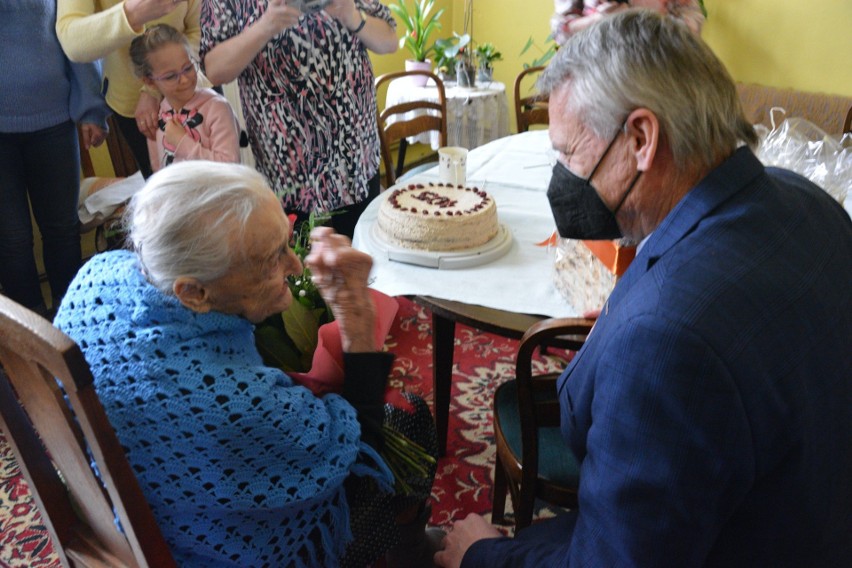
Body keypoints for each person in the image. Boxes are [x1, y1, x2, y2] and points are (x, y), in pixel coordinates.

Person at [437, 10, 851, 568]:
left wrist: (480, 555)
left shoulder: (662, 345)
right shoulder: (806, 199)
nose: (561, 177)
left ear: (640, 138)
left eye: (567, 153)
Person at [54, 161, 442, 567]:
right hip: (191, 545)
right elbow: (361, 457)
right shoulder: (225, 401)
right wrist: (357, 324)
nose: (294, 265)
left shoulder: (96, 276)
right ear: (194, 292)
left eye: (286, 243)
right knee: (408, 420)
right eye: (270, 259)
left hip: (118, 508)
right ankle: (409, 550)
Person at [200, 0, 398, 239]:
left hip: (355, 156)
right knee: (301, 266)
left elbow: (390, 41)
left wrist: (353, 17)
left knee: (365, 254)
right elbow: (215, 69)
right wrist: (265, 26)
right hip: (289, 168)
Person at [0, 0, 110, 317]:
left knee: (62, 229)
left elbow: (77, 34)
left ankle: (74, 321)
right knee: (11, 240)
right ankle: (34, 338)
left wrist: (90, 107)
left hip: (54, 122)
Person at [57, 0, 203, 177]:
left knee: (221, 189)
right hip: (132, 104)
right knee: (164, 195)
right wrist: (132, 15)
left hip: (195, 87)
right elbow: (72, 41)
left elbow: (202, 30)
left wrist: (154, 89)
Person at [130, 24, 241, 171]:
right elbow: (159, 172)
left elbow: (230, 169)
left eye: (188, 68)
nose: (184, 80)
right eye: (171, 76)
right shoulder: (157, 116)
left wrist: (182, 142)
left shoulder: (217, 109)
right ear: (149, 82)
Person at [551, 0, 704, 45]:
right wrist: (597, 20)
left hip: (658, 74)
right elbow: (560, 31)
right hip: (597, 78)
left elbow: (691, 29)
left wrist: (648, 13)